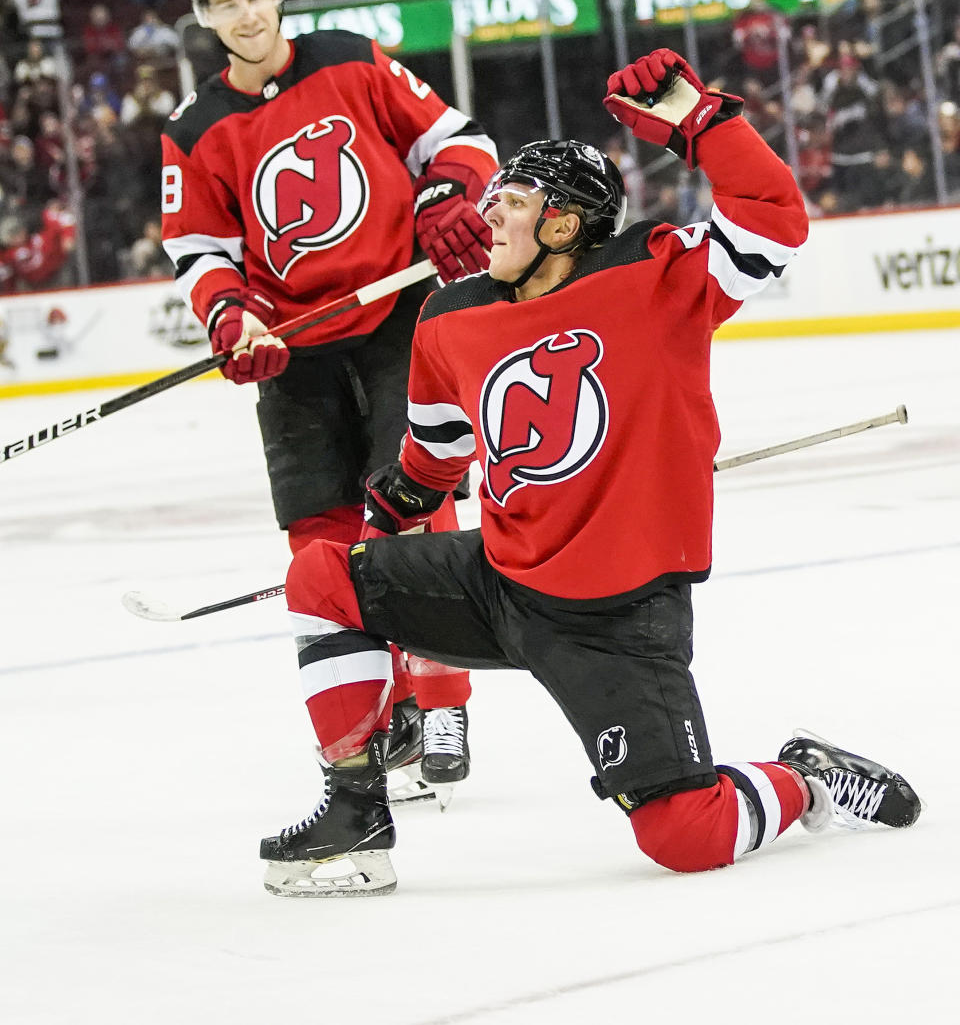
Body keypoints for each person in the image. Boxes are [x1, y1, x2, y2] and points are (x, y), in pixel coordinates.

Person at [258, 47, 921, 897]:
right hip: (497, 582)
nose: (488, 219)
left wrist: (698, 119)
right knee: (320, 575)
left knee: (686, 834)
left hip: (617, 621)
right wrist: (397, 503)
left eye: (514, 205)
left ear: (566, 225)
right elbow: (435, 451)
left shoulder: (658, 277)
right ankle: (355, 817)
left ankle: (810, 776)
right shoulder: (451, 317)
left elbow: (772, 218)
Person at [160, 0, 499, 803]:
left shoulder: (349, 60)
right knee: (322, 537)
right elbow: (198, 249)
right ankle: (374, 715)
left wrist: (444, 194)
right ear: (205, 16)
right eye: (223, 2)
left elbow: (461, 143)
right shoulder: (194, 128)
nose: (244, 14)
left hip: (397, 322)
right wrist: (231, 314)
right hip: (292, 350)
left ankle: (444, 698)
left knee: (417, 507)